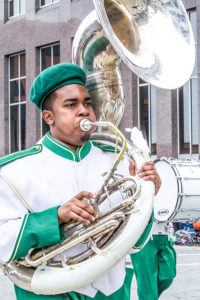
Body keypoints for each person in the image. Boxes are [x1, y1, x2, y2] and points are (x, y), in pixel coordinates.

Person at [0, 63, 161, 300]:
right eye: (71, 105)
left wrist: (149, 194)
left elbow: (135, 243)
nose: (84, 110)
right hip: (49, 294)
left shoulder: (117, 158)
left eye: (87, 103)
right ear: (48, 117)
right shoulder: (15, 171)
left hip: (112, 293)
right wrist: (56, 217)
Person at [131, 220, 176, 300]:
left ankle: (149, 296)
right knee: (147, 283)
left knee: (168, 276)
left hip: (165, 234)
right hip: (143, 236)